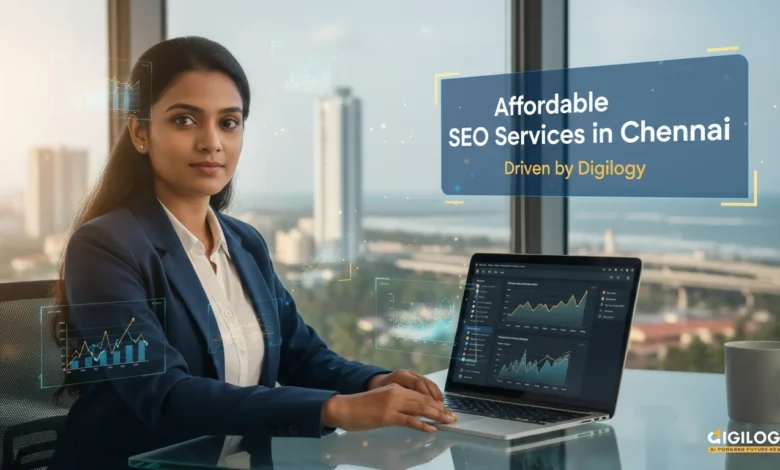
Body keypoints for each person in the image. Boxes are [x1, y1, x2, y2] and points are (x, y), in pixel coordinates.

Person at [48, 36, 457, 470]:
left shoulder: (245, 243)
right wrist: (335, 409)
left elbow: (301, 354)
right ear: (140, 133)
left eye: (228, 122)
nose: (212, 142)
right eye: (185, 120)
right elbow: (164, 395)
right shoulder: (104, 248)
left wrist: (373, 380)